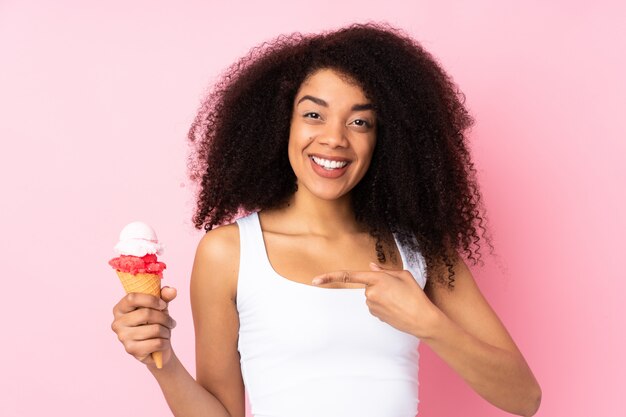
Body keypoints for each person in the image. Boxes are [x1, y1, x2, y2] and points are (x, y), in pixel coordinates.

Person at [111, 22, 541, 417]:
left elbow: (524, 398)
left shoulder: (419, 249)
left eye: (360, 121)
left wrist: (428, 322)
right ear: (283, 124)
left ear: (385, 139)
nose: (335, 138)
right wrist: (162, 362)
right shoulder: (230, 252)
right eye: (314, 114)